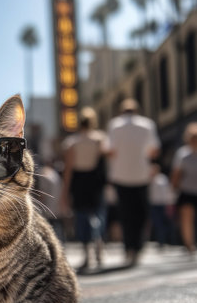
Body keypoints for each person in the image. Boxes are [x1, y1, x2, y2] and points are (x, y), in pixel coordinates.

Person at [107, 99, 160, 266]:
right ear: (136, 110)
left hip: (121, 176)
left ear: (122, 111)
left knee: (125, 214)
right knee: (141, 213)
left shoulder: (114, 125)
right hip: (141, 175)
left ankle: (129, 248)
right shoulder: (147, 124)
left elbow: (111, 151)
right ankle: (138, 247)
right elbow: (154, 151)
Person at [61, 107, 107, 271]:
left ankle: (87, 254)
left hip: (79, 181)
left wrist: (65, 192)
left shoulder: (72, 142)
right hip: (95, 179)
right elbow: (104, 161)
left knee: (81, 217)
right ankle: (99, 245)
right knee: (97, 214)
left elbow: (68, 170)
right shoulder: (99, 139)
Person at [171, 123, 197, 256]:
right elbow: (176, 174)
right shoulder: (182, 154)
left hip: (191, 190)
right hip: (187, 191)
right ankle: (189, 245)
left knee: (188, 219)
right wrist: (174, 188)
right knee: (187, 219)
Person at [149, 164, 174, 249]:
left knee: (165, 224)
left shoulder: (163, 179)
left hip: (163, 204)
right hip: (153, 205)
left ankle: (167, 241)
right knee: (157, 224)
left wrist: (169, 203)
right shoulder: (149, 178)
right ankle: (160, 242)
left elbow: (167, 191)